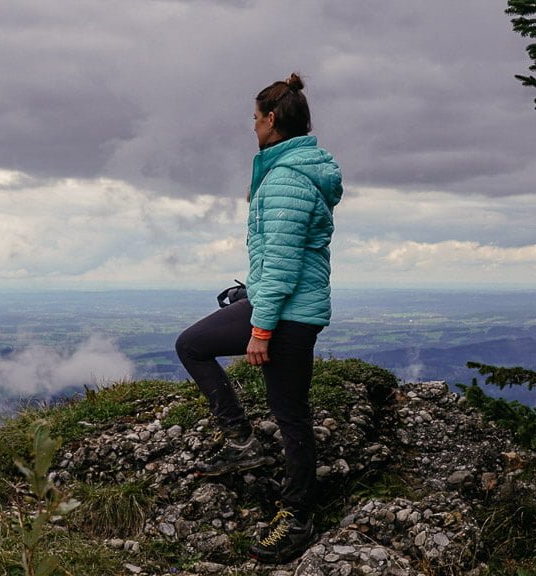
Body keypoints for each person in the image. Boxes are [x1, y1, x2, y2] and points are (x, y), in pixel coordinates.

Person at [174, 72, 342, 564]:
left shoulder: (287, 179)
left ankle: (297, 516)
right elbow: (279, 255)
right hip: (277, 301)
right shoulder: (289, 171)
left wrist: (261, 330)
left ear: (271, 119)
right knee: (193, 345)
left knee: (291, 415)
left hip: (288, 315)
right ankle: (241, 441)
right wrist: (253, 289)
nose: (252, 126)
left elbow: (285, 262)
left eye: (254, 118)